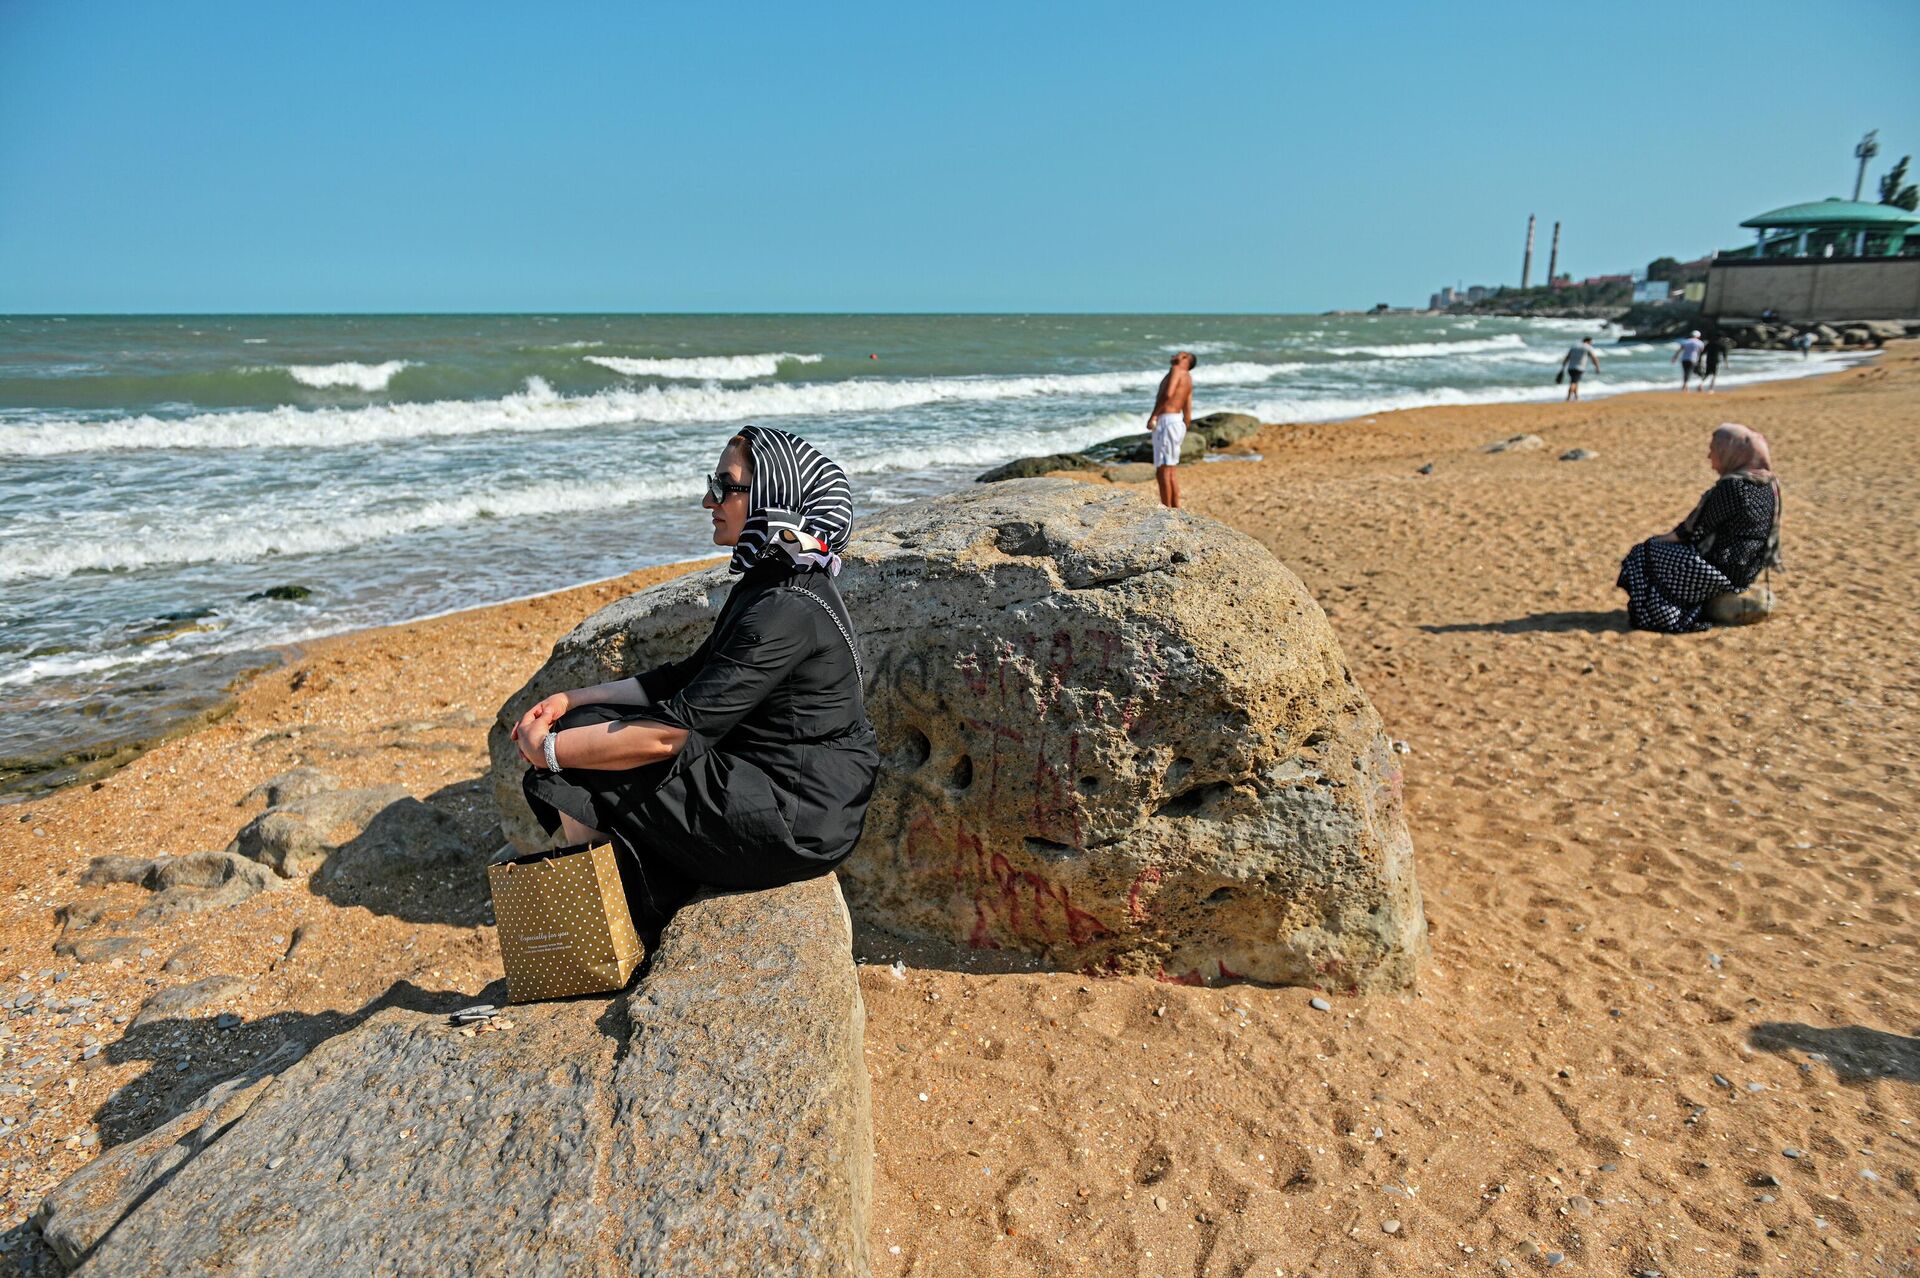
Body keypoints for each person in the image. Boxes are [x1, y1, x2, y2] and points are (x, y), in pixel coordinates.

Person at [509, 424, 880, 935]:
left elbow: (668, 736)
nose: (709, 499)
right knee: (586, 728)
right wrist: (571, 699)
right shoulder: (773, 578)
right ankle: (618, 912)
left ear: (773, 494)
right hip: (781, 785)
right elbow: (688, 675)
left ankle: (610, 930)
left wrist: (548, 751)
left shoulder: (785, 607)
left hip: (799, 818)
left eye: (725, 485)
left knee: (578, 763)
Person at [1616, 423, 1781, 633]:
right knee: (1656, 553)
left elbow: (1694, 532)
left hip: (1723, 568)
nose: (1709, 457)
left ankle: (1662, 616)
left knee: (1642, 554)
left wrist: (1657, 541)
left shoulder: (1732, 487)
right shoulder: (1767, 483)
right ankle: (1683, 607)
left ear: (1729, 452)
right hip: (1748, 568)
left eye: (1713, 450)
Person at [1146, 351, 1196, 509]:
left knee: (1163, 470)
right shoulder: (1187, 377)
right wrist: (1185, 424)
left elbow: (1168, 394)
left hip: (1167, 420)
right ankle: (1176, 508)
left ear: (1186, 359)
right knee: (1171, 469)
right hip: (1177, 421)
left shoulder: (1177, 370)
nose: (1176, 354)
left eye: (1182, 354)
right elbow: (1188, 406)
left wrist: (1154, 415)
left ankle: (1166, 509)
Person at [1558, 336, 1600, 401]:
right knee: (1574, 382)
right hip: (1579, 368)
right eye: (1591, 342)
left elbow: (1567, 357)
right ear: (1588, 341)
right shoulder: (1587, 347)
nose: (1591, 344)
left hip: (1570, 368)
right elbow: (1594, 358)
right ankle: (1568, 397)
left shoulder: (1574, 346)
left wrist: (1563, 367)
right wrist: (1597, 367)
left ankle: (1576, 397)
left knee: (1575, 381)